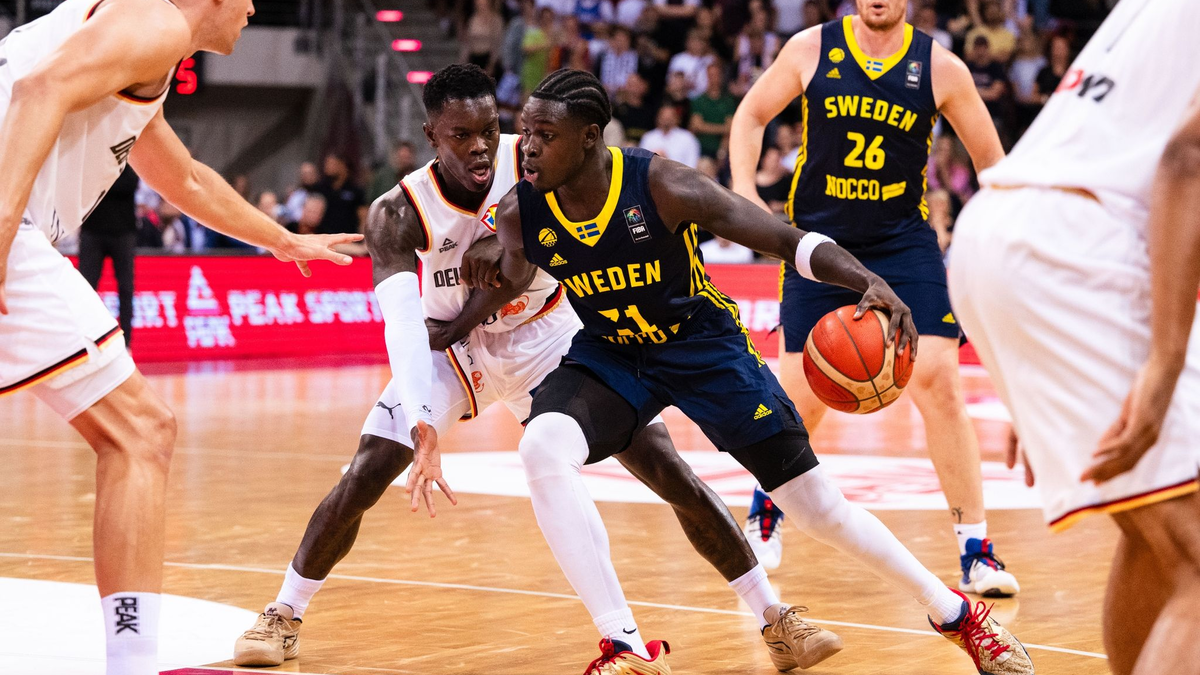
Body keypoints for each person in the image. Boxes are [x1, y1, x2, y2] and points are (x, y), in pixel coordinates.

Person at [409, 67, 1034, 675]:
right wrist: (463, 313)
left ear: (590, 139)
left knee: (815, 506)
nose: (531, 146)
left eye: (545, 134)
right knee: (543, 446)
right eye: (529, 131)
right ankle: (624, 647)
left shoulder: (665, 185)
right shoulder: (525, 208)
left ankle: (956, 616)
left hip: (703, 347)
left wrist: (869, 280)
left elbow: (785, 240)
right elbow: (516, 274)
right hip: (614, 352)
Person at [232, 64, 818, 671]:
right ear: (432, 135)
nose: (481, 145)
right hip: (451, 347)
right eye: (461, 135)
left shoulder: (540, 153)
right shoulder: (398, 212)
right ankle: (283, 613)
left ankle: (775, 617)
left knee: (664, 465)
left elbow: (605, 196)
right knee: (366, 472)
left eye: (489, 128)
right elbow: (404, 327)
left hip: (547, 333)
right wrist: (422, 425)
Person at [0, 1, 362, 674]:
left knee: (140, 431)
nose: (254, 7)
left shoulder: (142, 51)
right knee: (141, 430)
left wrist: (280, 240)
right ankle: (130, 665)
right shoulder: (155, 21)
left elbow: (185, 177)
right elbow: (37, 88)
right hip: (7, 226)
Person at [728, 0, 1020, 596]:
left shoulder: (941, 68)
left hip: (899, 242)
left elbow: (994, 166)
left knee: (938, 380)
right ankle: (766, 506)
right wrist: (742, 195)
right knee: (801, 396)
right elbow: (750, 116)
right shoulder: (811, 48)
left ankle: (977, 550)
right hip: (817, 240)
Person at [949, 2, 1200, 673]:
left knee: (1159, 530)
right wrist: (1165, 361)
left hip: (1017, 229)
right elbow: (1188, 156)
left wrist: (1039, 370)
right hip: (1082, 246)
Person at [79, 165, 140, 348]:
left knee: (126, 288)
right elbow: (84, 184)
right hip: (92, 229)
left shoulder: (128, 157)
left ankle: (126, 342)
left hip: (123, 231)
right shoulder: (92, 155)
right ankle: (84, 339)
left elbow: (129, 184)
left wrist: (102, 180)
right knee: (86, 288)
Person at [315, 153, 367, 236]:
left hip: (346, 239)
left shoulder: (355, 190)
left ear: (342, 165)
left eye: (331, 164)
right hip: (323, 237)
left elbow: (363, 216)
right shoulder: (320, 188)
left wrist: (362, 237)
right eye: (326, 164)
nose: (327, 167)